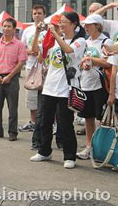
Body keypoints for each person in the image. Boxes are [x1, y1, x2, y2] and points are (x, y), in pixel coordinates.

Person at [30, 12, 86, 169]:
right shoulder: (53, 41)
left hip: (65, 89)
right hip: (49, 87)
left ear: (74, 24)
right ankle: (44, 151)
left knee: (65, 124)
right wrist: (37, 33)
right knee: (44, 122)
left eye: (64, 22)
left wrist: (55, 33)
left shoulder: (79, 41)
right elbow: (36, 51)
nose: (61, 25)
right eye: (59, 22)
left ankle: (70, 156)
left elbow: (68, 50)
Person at [76, 14, 111, 160]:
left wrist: (91, 59)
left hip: (100, 86)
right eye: (86, 25)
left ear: (97, 25)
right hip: (85, 84)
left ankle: (102, 148)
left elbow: (109, 63)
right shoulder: (85, 42)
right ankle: (89, 146)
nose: (86, 27)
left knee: (101, 119)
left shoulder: (106, 41)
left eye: (89, 25)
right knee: (88, 117)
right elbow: (80, 60)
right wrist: (83, 63)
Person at [0, 18, 27, 141]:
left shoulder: (19, 44)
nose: (6, 29)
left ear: (14, 29)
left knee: (12, 107)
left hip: (12, 78)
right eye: (4, 26)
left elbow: (21, 63)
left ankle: (12, 132)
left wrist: (9, 76)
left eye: (9, 27)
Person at [19, 5, 47, 132]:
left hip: (46, 67)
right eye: (35, 13)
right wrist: (29, 51)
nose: (37, 15)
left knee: (46, 97)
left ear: (44, 15)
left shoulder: (49, 30)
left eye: (39, 13)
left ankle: (48, 122)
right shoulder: (27, 31)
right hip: (31, 67)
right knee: (31, 96)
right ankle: (33, 121)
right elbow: (22, 48)